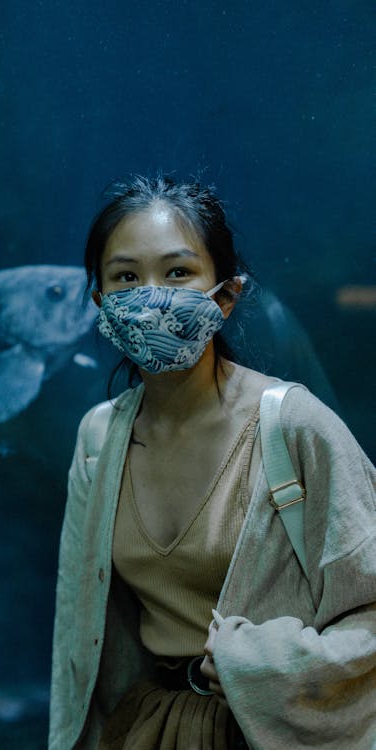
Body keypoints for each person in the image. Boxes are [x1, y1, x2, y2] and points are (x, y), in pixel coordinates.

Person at [49, 175, 376, 749]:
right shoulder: (98, 438)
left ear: (225, 294)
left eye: (178, 272)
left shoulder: (294, 425)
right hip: (147, 730)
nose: (151, 298)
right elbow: (79, 628)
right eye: (126, 277)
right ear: (101, 303)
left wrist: (263, 664)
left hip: (270, 732)